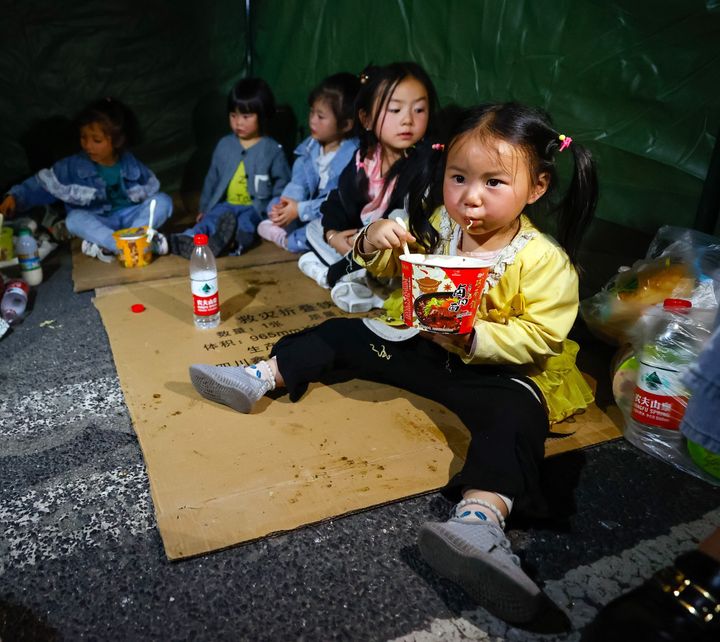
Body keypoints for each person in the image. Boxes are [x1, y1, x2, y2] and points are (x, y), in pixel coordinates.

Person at [188, 102, 599, 624]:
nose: (470, 197)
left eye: (494, 182)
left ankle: (479, 521)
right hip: (419, 348)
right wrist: (373, 238)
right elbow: (387, 268)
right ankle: (259, 376)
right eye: (458, 178)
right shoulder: (437, 226)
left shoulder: (542, 260)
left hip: (489, 372)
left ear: (536, 188)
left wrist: (474, 336)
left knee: (516, 417)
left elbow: (540, 336)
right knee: (345, 334)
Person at [296, 61, 438, 312]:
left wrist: (363, 245)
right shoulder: (366, 158)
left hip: (392, 256)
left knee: (395, 221)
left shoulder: (428, 162)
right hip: (358, 242)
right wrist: (334, 235)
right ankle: (355, 279)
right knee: (314, 229)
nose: (408, 120)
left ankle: (336, 277)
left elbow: (408, 229)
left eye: (419, 109)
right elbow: (337, 201)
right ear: (367, 118)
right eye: (395, 110)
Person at [0, 98, 173, 262]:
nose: (88, 145)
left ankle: (135, 237)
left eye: (96, 140)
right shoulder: (72, 166)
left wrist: (145, 214)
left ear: (117, 141)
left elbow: (150, 196)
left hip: (130, 219)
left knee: (163, 201)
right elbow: (40, 185)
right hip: (100, 221)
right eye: (83, 138)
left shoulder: (130, 164)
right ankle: (120, 245)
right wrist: (16, 196)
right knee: (74, 219)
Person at [168, 77, 291, 259]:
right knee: (212, 219)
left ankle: (233, 244)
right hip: (226, 204)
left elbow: (283, 183)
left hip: (254, 208)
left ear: (262, 115)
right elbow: (212, 179)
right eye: (233, 115)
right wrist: (205, 208)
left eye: (246, 116)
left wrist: (277, 209)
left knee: (245, 224)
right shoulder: (225, 145)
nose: (238, 122)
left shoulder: (272, 150)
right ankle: (189, 239)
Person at [257, 72, 360, 253]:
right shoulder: (310, 146)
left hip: (331, 217)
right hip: (307, 209)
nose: (312, 120)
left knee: (318, 231)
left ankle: (289, 240)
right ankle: (286, 229)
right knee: (272, 205)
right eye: (312, 112)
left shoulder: (352, 155)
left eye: (321, 116)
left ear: (346, 124)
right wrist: (287, 203)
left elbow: (335, 202)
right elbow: (299, 181)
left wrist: (300, 209)